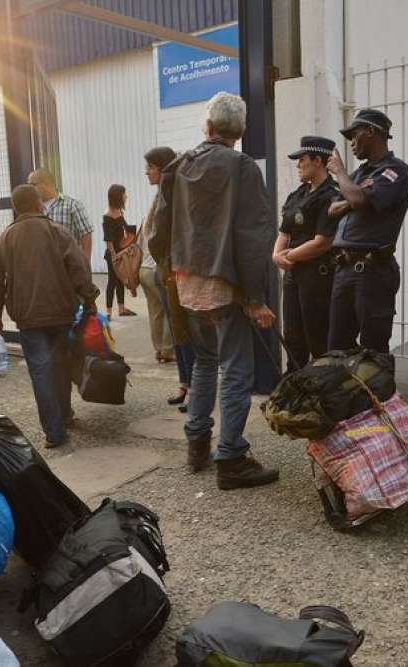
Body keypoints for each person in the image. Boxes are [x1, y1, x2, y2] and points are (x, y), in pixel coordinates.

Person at [150, 91, 279, 489]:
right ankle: (232, 458)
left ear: (207, 127)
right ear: (239, 132)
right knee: (236, 370)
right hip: (227, 287)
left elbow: (158, 230)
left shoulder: (177, 166)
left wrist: (172, 270)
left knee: (205, 362)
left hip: (186, 283)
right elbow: (255, 235)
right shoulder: (241, 167)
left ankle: (196, 445)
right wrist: (255, 299)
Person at [0, 184, 99, 448]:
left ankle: (54, 431)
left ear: (16, 207)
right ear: (38, 204)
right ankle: (65, 415)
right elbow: (79, 268)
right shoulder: (57, 232)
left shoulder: (5, 239)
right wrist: (89, 298)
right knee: (61, 364)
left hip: (28, 318)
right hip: (61, 313)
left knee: (41, 371)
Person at [326, 108, 408, 353]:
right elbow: (332, 210)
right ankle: (349, 393)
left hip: (372, 271)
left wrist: (342, 175)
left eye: (354, 136)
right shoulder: (358, 175)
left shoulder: (396, 171)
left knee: (373, 349)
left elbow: (358, 201)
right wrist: (354, 195)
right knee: (337, 347)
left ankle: (381, 393)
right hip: (344, 269)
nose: (351, 144)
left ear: (371, 131)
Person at [272, 136, 340, 370]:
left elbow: (323, 242)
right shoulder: (298, 195)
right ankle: (294, 391)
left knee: (318, 337)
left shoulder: (331, 195)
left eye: (302, 160)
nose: (298, 165)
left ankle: (321, 394)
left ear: (318, 160)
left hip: (317, 276)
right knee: (292, 337)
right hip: (294, 274)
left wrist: (288, 257)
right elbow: (284, 230)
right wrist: (276, 255)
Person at [140, 148, 179, 369]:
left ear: (163, 168)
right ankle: (167, 350)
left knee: (156, 311)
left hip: (147, 267)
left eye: (151, 167)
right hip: (156, 266)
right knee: (167, 313)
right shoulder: (164, 195)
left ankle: (160, 349)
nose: (147, 173)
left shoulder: (161, 196)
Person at [28, 168, 93, 262]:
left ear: (46, 184)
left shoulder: (72, 205)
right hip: (44, 267)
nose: (30, 189)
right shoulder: (32, 210)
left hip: (68, 265)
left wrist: (86, 264)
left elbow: (86, 235)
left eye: (32, 185)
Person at [102, 184, 137, 319]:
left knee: (121, 280)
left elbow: (124, 230)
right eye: (124, 194)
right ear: (118, 196)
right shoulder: (108, 215)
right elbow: (108, 238)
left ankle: (122, 309)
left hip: (122, 252)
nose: (126, 196)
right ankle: (108, 312)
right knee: (112, 281)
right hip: (113, 253)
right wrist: (113, 255)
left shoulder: (119, 212)